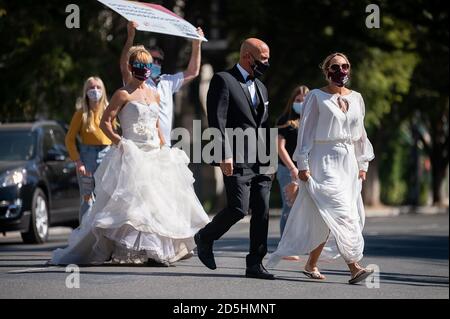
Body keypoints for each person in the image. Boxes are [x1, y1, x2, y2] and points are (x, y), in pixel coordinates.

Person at [51, 46, 210, 266]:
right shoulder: (122, 93)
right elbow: (105, 122)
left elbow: (155, 124)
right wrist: (120, 142)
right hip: (132, 153)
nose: (145, 69)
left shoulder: (154, 93)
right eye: (140, 65)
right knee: (133, 206)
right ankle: (118, 248)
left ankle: (155, 250)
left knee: (156, 204)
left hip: (155, 153)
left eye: (147, 65)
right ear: (132, 67)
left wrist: (164, 145)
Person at [267, 53, 375, 285]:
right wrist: (302, 164)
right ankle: (354, 267)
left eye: (345, 66)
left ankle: (311, 264)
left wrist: (363, 163)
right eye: (335, 67)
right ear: (326, 71)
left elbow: (360, 134)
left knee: (326, 217)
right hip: (323, 160)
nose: (341, 70)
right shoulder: (316, 97)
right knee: (341, 212)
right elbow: (305, 131)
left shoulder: (357, 98)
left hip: (348, 164)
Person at [194, 38, 276, 280]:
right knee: (239, 208)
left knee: (261, 210)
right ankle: (205, 237)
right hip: (236, 156)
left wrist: (269, 159)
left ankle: (255, 264)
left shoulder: (261, 87)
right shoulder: (223, 80)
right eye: (263, 58)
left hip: (261, 158)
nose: (267, 63)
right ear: (247, 56)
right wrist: (223, 154)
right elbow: (216, 120)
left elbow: (265, 125)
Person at [120, 21, 204, 146]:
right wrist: (130, 37)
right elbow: (124, 65)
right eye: (153, 60)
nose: (156, 63)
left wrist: (196, 44)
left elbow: (193, 72)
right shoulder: (137, 80)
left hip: (164, 145)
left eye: (159, 60)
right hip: (143, 146)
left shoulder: (167, 81)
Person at [65, 76, 112, 222]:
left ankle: (103, 238)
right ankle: (84, 238)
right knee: (87, 199)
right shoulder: (81, 114)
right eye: (91, 88)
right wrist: (78, 161)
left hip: (107, 155)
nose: (95, 90)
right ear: (85, 91)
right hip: (87, 157)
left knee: (105, 199)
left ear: (103, 91)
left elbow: (118, 133)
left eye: (98, 87)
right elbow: (69, 139)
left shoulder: (109, 110)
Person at [275, 85, 309, 261]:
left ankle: (308, 245)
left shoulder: (313, 121)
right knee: (289, 206)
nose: (301, 103)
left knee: (309, 207)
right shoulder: (284, 120)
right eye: (297, 100)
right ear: (292, 101)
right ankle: (286, 247)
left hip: (307, 169)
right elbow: (279, 147)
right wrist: (292, 168)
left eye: (304, 100)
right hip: (287, 169)